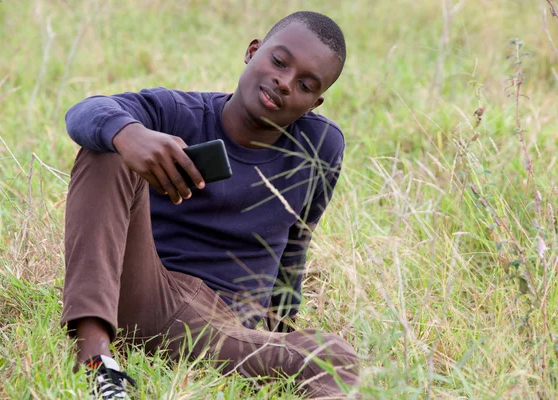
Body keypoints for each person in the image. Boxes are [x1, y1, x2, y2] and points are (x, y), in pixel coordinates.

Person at [61, 10, 360, 399]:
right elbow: (84, 112)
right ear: (252, 52)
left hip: (224, 331)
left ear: (314, 102)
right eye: (279, 61)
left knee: (334, 357)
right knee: (107, 148)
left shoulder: (320, 147)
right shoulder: (176, 113)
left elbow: (295, 245)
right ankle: (96, 361)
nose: (284, 83)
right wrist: (129, 134)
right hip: (145, 291)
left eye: (304, 84)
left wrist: (280, 333)